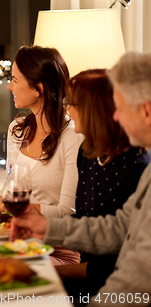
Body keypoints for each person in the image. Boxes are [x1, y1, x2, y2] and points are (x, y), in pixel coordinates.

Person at [11, 52, 151, 306]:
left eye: (118, 108)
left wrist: (51, 271)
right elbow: (119, 227)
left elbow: (138, 278)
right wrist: (45, 227)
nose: (115, 117)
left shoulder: (140, 167)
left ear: (146, 112)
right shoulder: (93, 157)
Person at [0, 46, 84, 265]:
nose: (9, 86)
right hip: (18, 242)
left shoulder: (73, 136)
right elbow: (10, 190)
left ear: (38, 88)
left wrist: (2, 204)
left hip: (56, 250)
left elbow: (67, 212)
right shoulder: (17, 129)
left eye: (15, 80)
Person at [57, 69, 149, 301]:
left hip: (110, 287)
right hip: (84, 274)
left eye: (71, 103)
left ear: (93, 110)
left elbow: (118, 264)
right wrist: (39, 228)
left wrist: (54, 272)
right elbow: (89, 224)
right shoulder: (87, 153)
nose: (66, 109)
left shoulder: (138, 169)